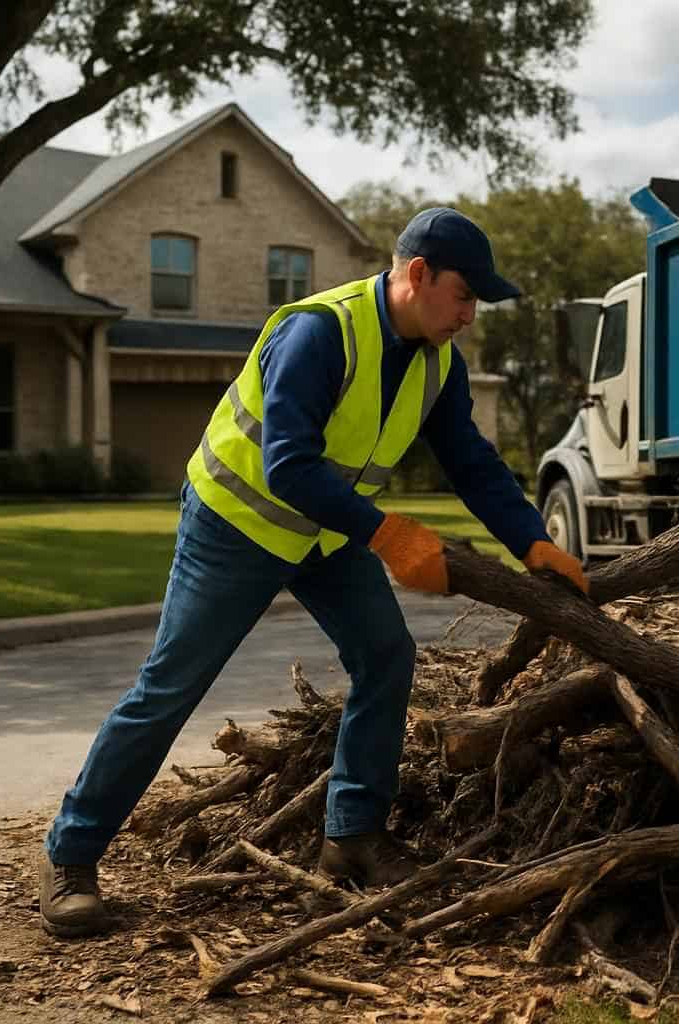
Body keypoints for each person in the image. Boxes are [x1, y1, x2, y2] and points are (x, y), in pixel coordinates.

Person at [37, 208, 587, 937]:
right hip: (236, 524)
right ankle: (71, 855)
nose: (469, 315)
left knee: (386, 655)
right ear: (418, 274)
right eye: (464, 295)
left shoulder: (436, 364)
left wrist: (534, 543)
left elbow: (472, 463)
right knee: (171, 688)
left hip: (325, 533)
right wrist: (391, 537)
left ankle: (352, 837)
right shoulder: (319, 332)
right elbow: (289, 465)